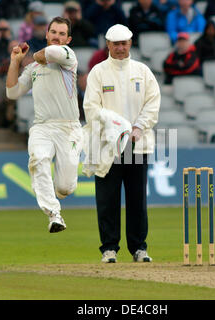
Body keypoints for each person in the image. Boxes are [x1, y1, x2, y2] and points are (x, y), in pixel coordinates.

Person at [83, 24, 161, 263]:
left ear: (130, 43)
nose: (120, 48)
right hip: (108, 145)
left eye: (124, 43)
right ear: (108, 44)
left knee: (138, 200)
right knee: (107, 200)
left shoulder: (142, 71)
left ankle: (139, 248)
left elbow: (153, 103)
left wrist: (137, 128)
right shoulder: (98, 72)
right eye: (115, 44)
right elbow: (91, 108)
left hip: (138, 144)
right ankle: (109, 248)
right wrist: (116, 128)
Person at [6, 17, 83, 233]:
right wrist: (15, 61)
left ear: (68, 39)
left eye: (61, 34)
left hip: (68, 128)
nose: (57, 37)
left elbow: (49, 54)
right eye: (54, 33)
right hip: (42, 126)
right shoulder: (33, 69)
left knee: (65, 188)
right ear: (46, 34)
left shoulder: (68, 56)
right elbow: (12, 92)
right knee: (38, 159)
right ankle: (54, 215)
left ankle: (58, 195)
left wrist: (34, 56)